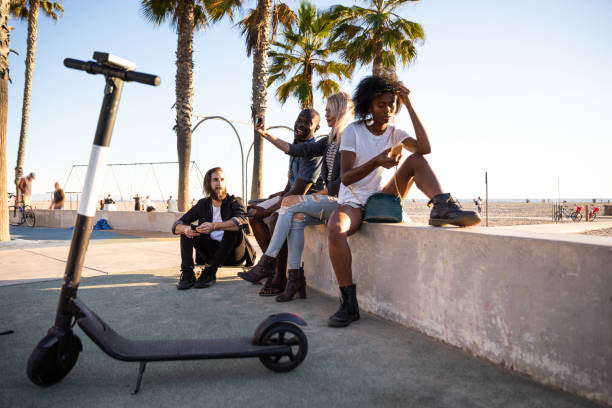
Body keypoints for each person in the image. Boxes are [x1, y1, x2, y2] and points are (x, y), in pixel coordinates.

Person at [326, 75, 480, 328]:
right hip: (354, 200)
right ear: (368, 106)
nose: (387, 110)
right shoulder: (353, 131)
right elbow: (346, 178)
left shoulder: (397, 132)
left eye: (391, 104)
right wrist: (376, 161)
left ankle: (442, 206)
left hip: (382, 197)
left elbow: (425, 148)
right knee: (336, 228)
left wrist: (409, 105)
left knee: (416, 159)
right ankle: (349, 304)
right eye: (380, 105)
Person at [241, 92, 354, 302]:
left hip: (340, 202)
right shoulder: (328, 140)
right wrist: (264, 133)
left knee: (288, 204)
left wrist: (307, 197)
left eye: (329, 110)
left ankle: (269, 261)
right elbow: (294, 149)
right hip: (326, 202)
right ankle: (294, 280)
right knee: (296, 218)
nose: (327, 114)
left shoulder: (349, 137)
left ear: (339, 111)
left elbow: (339, 185)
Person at [237, 109, 324, 295]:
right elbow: (290, 185)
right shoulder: (295, 144)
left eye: (307, 122)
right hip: (292, 195)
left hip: (309, 200)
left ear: (317, 128)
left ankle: (279, 278)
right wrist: (272, 198)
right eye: (299, 119)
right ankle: (271, 268)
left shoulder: (313, 151)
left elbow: (298, 192)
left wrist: (268, 210)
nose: (301, 124)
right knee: (254, 213)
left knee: (276, 217)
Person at [172, 167, 255, 290]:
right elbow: (176, 225)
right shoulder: (202, 204)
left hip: (234, 255)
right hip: (211, 254)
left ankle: (210, 272)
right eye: (215, 180)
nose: (219, 183)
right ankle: (188, 273)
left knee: (232, 227)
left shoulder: (235, 201)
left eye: (222, 180)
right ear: (208, 184)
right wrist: (185, 229)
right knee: (188, 231)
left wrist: (215, 226)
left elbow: (242, 221)